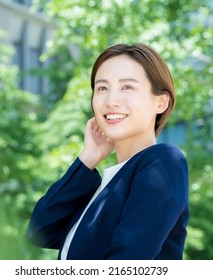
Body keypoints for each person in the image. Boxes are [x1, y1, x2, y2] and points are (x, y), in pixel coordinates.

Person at [27, 43, 189, 260]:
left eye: (127, 87)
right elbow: (39, 232)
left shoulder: (164, 162)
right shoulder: (103, 187)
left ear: (160, 102)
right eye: (102, 88)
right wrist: (87, 159)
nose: (111, 101)